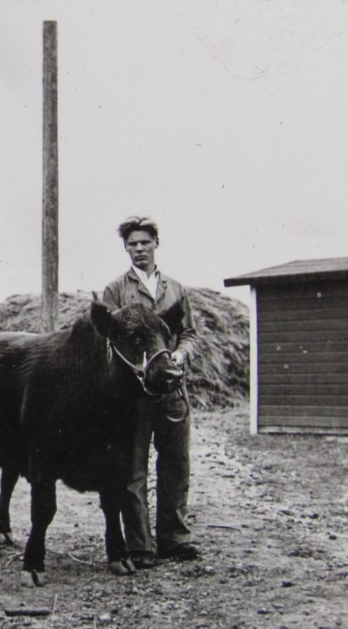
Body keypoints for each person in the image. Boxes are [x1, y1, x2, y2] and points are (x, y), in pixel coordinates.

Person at [102, 216, 199, 569]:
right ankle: (140, 546)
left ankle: (174, 539)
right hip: (135, 394)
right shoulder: (115, 291)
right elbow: (109, 339)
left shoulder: (175, 289)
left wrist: (180, 354)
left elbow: (189, 333)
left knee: (176, 464)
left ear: (156, 243)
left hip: (172, 389)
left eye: (145, 242)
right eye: (132, 244)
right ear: (126, 249)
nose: (139, 249)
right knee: (133, 468)